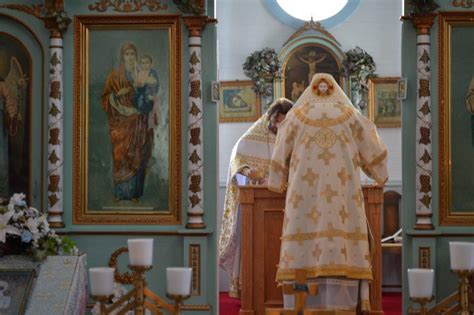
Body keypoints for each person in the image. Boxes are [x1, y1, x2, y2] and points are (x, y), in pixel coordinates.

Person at [268, 73, 388, 312]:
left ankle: (302, 307)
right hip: (343, 203)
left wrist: (277, 180)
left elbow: (279, 155)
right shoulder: (351, 116)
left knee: (303, 252)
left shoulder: (295, 117)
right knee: (342, 248)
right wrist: (380, 174)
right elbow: (375, 151)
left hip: (303, 205)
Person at [219, 98, 294, 298]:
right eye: (280, 120)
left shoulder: (292, 138)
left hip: (286, 203)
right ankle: (252, 290)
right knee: (257, 248)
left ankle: (281, 291)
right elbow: (237, 160)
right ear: (274, 117)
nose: (282, 125)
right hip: (257, 205)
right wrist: (248, 171)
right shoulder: (253, 136)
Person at [101, 43, 154, 203]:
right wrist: (117, 94)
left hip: (139, 122)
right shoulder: (114, 76)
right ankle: (121, 194)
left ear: (136, 56)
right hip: (120, 124)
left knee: (138, 154)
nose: (130, 57)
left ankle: (135, 194)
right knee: (121, 157)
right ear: (122, 57)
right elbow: (104, 99)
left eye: (132, 54)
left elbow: (151, 95)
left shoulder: (142, 74)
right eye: (127, 54)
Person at [136, 54, 160, 132]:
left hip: (152, 92)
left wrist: (146, 81)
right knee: (139, 99)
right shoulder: (140, 72)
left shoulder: (153, 72)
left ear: (150, 64)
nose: (145, 65)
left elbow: (155, 82)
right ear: (140, 64)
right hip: (144, 93)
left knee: (153, 109)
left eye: (147, 63)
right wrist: (144, 82)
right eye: (143, 63)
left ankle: (151, 125)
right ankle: (141, 115)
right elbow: (139, 84)